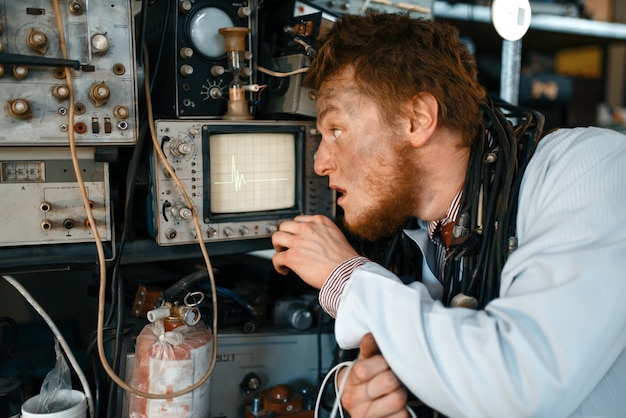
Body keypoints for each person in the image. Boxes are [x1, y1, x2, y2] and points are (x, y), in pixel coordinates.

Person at [270, 12, 626, 418]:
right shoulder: (419, 238)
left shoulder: (590, 166)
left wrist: (347, 279)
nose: (320, 163)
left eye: (335, 130)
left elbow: (518, 387)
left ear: (417, 120)